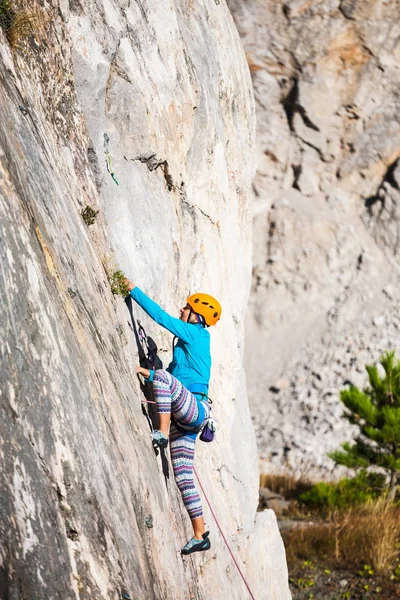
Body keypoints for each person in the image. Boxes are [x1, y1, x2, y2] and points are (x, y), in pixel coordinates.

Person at [124, 279, 221, 555]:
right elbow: (176, 378)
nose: (182, 309)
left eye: (187, 307)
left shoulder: (195, 333)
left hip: (194, 410)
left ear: (197, 316)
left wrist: (132, 290)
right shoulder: (189, 341)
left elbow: (160, 317)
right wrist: (155, 373)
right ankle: (200, 534)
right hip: (186, 417)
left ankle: (161, 434)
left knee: (164, 377)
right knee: (183, 477)